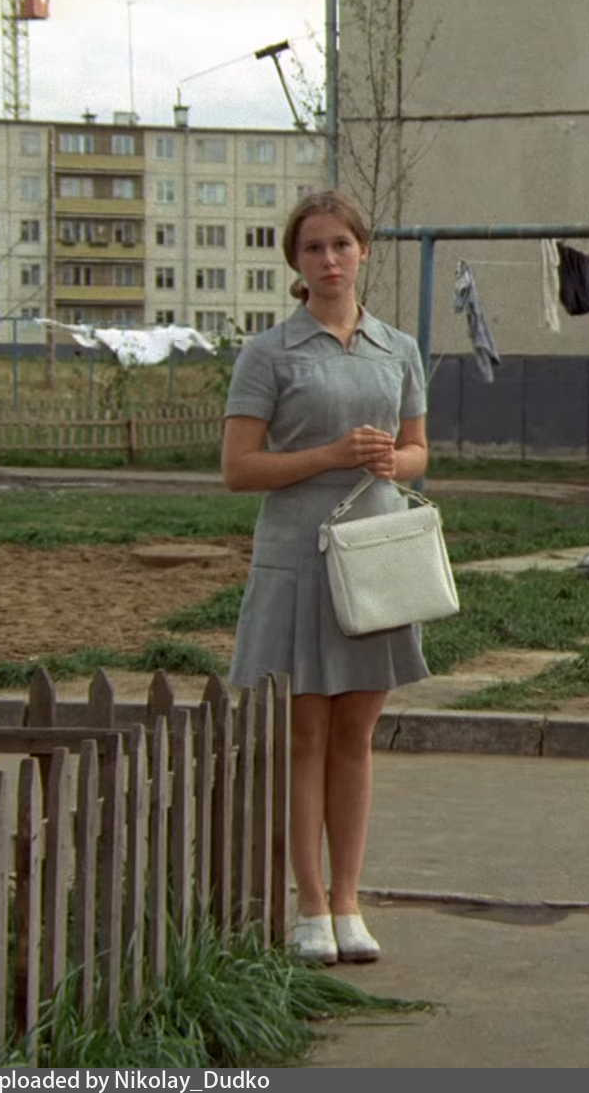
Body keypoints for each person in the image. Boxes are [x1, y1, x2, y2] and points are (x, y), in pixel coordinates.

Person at [221, 190, 429, 966]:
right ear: (296, 262)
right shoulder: (269, 353)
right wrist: (329, 456)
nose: (330, 259)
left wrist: (392, 460)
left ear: (363, 251)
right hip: (297, 558)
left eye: (341, 244)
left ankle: (349, 901)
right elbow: (239, 469)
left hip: (376, 555)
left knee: (356, 738)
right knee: (304, 736)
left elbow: (419, 451)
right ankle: (309, 904)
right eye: (313, 248)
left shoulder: (396, 347)